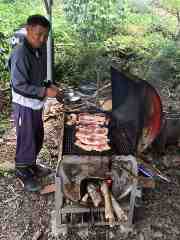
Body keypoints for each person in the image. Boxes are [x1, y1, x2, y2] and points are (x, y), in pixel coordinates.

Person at [8, 15, 62, 192]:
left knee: (37, 136)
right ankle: (23, 172)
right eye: (38, 34)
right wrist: (45, 92)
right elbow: (18, 84)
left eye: (45, 36)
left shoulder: (37, 48)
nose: (42, 39)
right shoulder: (21, 52)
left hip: (36, 104)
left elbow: (37, 77)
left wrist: (48, 85)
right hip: (24, 104)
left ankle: (31, 165)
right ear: (28, 29)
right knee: (27, 140)